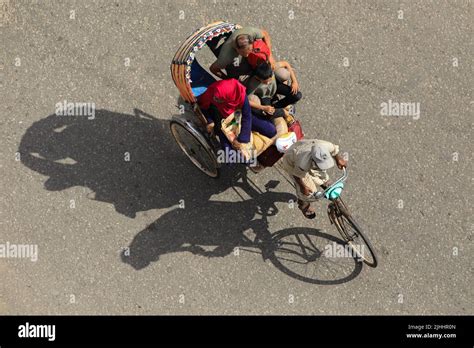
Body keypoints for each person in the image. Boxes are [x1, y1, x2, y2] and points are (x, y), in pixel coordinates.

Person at [197, 78, 276, 152]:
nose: (215, 99)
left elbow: (247, 115)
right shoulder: (213, 92)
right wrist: (210, 121)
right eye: (216, 98)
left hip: (239, 115)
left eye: (218, 99)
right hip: (223, 121)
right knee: (230, 151)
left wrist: (242, 138)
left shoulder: (239, 93)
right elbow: (203, 106)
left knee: (271, 130)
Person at [280, 139, 347, 219]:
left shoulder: (325, 146)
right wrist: (303, 187)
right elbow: (297, 176)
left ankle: (325, 186)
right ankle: (303, 203)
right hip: (293, 164)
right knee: (307, 193)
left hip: (310, 160)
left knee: (324, 179)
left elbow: (334, 150)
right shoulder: (302, 163)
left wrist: (338, 159)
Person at [209, 26, 275, 80]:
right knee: (236, 69)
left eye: (250, 51)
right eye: (245, 53)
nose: (247, 56)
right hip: (224, 51)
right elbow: (213, 68)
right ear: (237, 49)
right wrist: (226, 78)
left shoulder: (250, 32)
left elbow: (265, 34)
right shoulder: (226, 57)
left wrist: (270, 56)